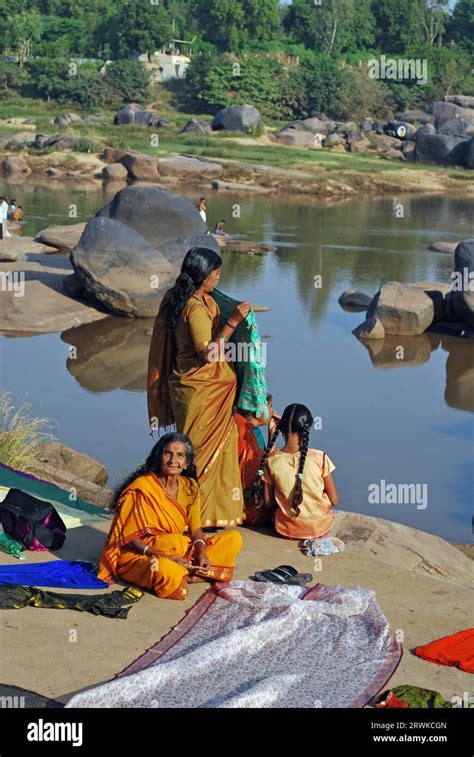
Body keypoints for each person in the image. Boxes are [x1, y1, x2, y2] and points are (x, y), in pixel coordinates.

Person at [148, 247, 251, 528]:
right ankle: (186, 516)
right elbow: (208, 354)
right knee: (196, 457)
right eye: (215, 273)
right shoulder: (194, 308)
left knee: (207, 456)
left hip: (200, 391)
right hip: (202, 392)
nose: (218, 278)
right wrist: (233, 323)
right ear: (204, 275)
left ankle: (205, 515)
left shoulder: (185, 298)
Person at [98, 433, 243, 601]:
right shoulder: (142, 488)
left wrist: (201, 552)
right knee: (164, 569)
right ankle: (193, 573)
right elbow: (129, 538)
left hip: (178, 550)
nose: (173, 460)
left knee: (233, 538)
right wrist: (165, 556)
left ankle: (188, 571)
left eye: (180, 455)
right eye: (168, 453)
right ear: (159, 457)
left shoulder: (190, 487)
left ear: (187, 463)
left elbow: (196, 529)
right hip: (142, 554)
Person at [252, 403, 339, 540]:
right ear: (307, 429)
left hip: (286, 531)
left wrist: (273, 432)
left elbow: (268, 504)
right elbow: (334, 500)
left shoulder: (271, 461)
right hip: (319, 528)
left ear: (282, 429)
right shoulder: (320, 457)